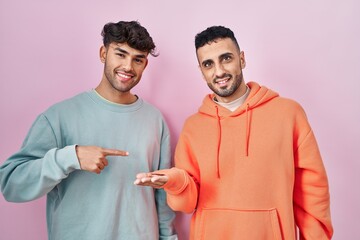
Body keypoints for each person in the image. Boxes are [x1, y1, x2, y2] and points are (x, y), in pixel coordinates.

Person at [135, 25, 333, 239]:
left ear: (242, 59)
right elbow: (187, 203)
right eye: (208, 64)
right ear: (202, 72)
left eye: (226, 58)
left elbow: (313, 191)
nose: (219, 71)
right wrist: (173, 181)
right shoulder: (193, 127)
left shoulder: (288, 113)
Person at [0, 20, 177, 240]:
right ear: (103, 53)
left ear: (145, 65)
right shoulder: (59, 116)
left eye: (137, 59)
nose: (128, 67)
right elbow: (10, 184)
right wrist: (69, 157)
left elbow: (162, 197)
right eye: (120, 54)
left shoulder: (155, 120)